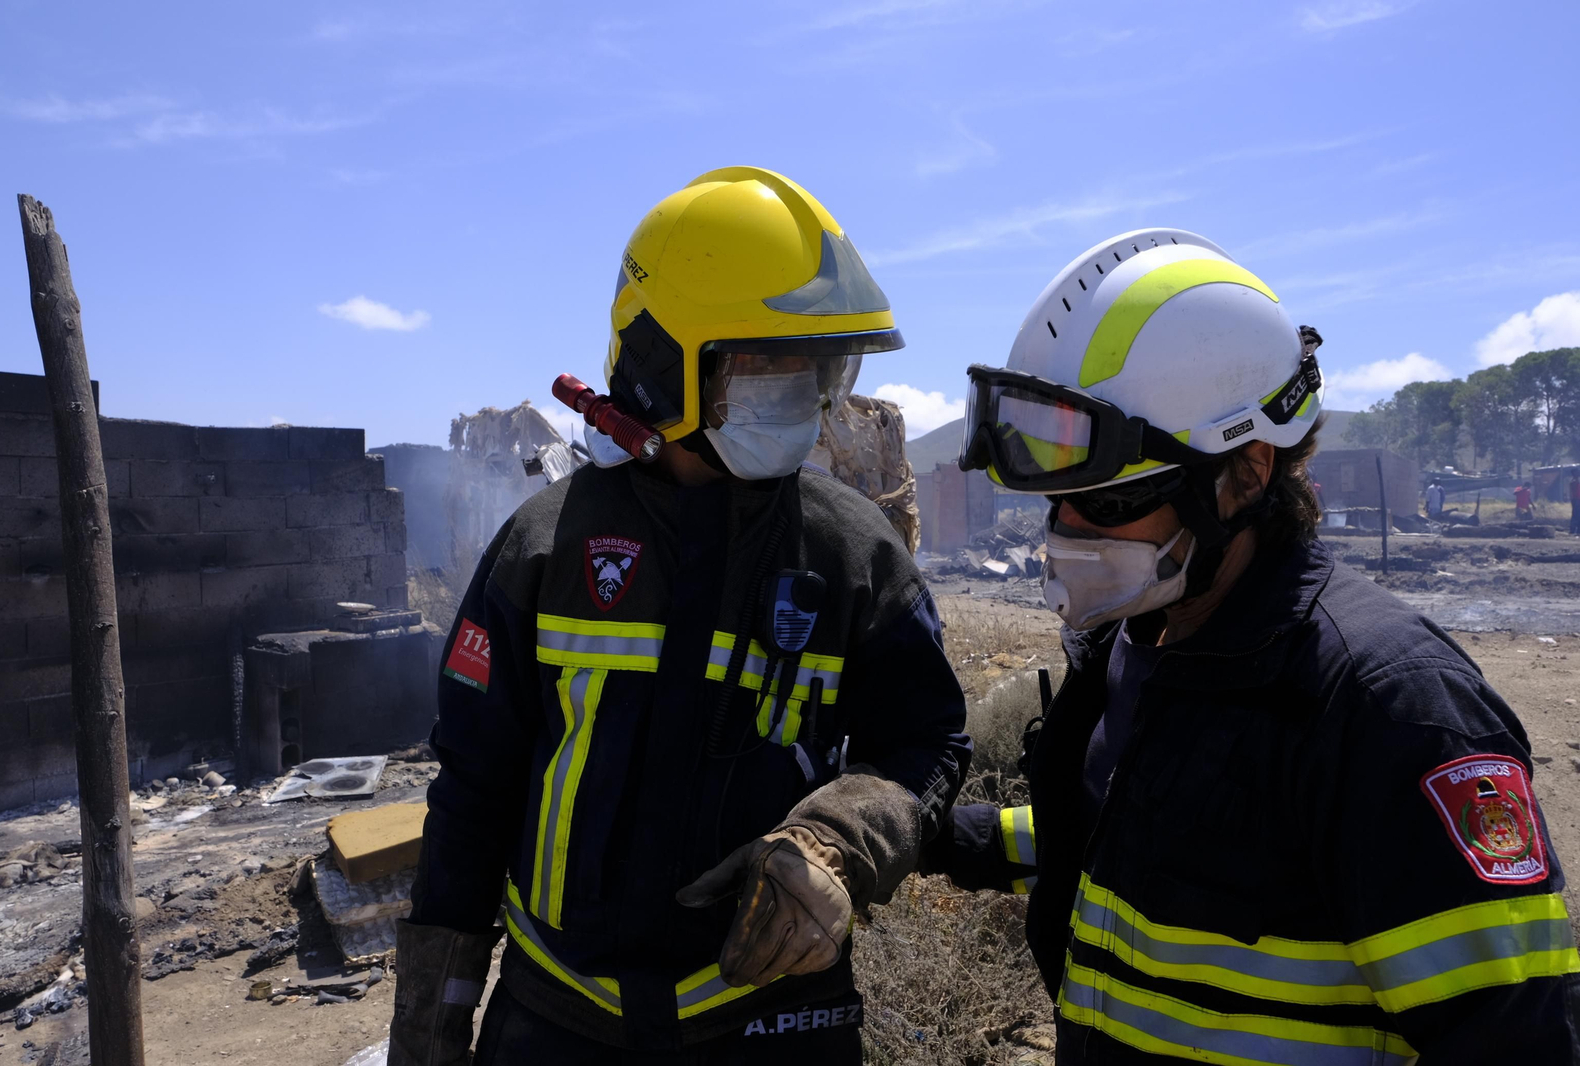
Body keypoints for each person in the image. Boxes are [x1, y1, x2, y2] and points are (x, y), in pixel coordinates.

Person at [921, 228, 1580, 1062]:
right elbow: (1136, 820)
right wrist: (944, 833)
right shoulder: (1141, 646)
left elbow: (1516, 1040)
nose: (1068, 531)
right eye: (1058, 502)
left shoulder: (1392, 710)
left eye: (1112, 503)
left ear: (1247, 473)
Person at [386, 166, 970, 1066]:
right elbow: (472, 793)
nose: (809, 396)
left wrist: (841, 842)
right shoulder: (545, 548)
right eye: (771, 365)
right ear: (667, 365)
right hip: (557, 1019)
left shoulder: (853, 555)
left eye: (820, 368)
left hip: (775, 1021)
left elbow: (929, 740)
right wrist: (431, 1028)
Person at [1568, 470, 1579, 536]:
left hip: (1577, 499)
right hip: (1576, 499)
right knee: (1576, 514)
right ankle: (1573, 529)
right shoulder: (1573, 482)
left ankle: (1577, 530)